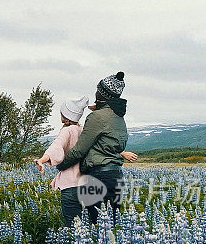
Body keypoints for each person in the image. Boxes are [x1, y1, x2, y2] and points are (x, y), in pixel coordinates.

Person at [35, 95, 137, 226]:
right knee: (90, 225)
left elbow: (56, 147)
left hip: (70, 186)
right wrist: (122, 153)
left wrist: (43, 160)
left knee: (73, 226)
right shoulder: (85, 130)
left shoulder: (67, 131)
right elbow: (102, 145)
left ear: (65, 115)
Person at [55, 72, 130, 224]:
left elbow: (80, 150)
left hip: (98, 176)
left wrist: (61, 164)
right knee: (113, 225)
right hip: (116, 176)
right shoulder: (118, 117)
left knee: (96, 227)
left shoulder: (97, 117)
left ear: (103, 94)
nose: (95, 93)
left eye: (98, 90)